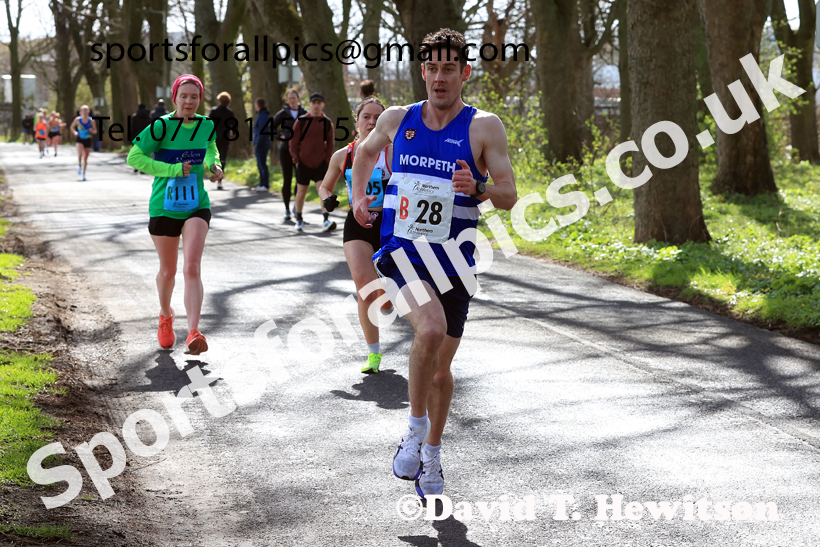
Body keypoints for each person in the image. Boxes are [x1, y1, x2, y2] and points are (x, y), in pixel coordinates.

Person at [351, 29, 517, 500]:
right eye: (433, 69)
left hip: (455, 263)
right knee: (428, 329)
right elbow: (364, 153)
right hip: (403, 253)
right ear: (422, 72)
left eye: (449, 69)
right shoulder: (397, 118)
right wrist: (359, 195)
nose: (440, 77)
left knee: (441, 370)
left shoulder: (484, 127)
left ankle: (432, 453)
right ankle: (413, 428)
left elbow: (509, 194)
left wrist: (479, 188)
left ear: (465, 73)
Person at [126, 74, 223, 355]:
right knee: (168, 271)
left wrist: (214, 165)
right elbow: (134, 157)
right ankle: (165, 314)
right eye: (184, 96)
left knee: (191, 267)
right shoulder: (161, 126)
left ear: (200, 99)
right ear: (175, 98)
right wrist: (171, 169)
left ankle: (193, 332)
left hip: (196, 205)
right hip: (164, 207)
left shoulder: (206, 125)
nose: (189, 101)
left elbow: (210, 148)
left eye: (194, 97)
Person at [318, 97, 392, 374]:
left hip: (389, 224)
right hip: (357, 224)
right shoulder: (343, 155)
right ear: (357, 121)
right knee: (364, 286)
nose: (372, 122)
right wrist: (328, 199)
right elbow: (325, 187)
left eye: (378, 118)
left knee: (386, 294)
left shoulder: (392, 151)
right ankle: (373, 354)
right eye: (366, 117)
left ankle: (388, 294)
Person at [289, 93, 335, 232]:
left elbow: (330, 143)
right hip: (303, 163)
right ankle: (299, 219)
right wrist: (296, 160)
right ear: (309, 105)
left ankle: (326, 220)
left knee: (323, 191)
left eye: (319, 103)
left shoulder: (327, 122)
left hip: (321, 163)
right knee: (301, 192)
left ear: (322, 105)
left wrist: (327, 160)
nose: (316, 106)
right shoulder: (301, 121)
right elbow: (293, 142)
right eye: (313, 103)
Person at [271, 89, 307, 219]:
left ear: (298, 99)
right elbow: (271, 128)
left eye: (294, 98)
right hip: (286, 150)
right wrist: (279, 136)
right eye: (290, 98)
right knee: (287, 179)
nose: (292, 100)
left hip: (300, 151)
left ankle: (296, 207)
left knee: (300, 181)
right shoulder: (282, 114)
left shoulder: (304, 114)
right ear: (287, 100)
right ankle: (286, 209)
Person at [208, 92, 234, 191]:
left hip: (215, 138)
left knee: (215, 157)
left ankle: (215, 172)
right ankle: (219, 180)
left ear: (219, 101)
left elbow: (209, 124)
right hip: (225, 138)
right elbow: (234, 125)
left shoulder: (214, 111)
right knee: (223, 159)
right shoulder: (230, 112)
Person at [69, 105, 97, 180]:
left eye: (86, 110)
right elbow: (72, 127)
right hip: (79, 138)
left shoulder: (91, 121)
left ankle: (84, 173)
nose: (84, 112)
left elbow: (95, 131)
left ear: (88, 111)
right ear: (80, 112)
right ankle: (79, 165)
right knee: (80, 154)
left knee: (85, 158)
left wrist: (92, 130)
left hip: (88, 139)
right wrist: (75, 132)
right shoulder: (77, 119)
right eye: (83, 110)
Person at [252, 98, 272, 192]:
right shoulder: (261, 115)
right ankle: (262, 183)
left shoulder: (263, 116)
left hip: (262, 144)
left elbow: (262, 131)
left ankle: (265, 184)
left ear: (258, 105)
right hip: (260, 143)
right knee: (260, 164)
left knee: (262, 164)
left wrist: (258, 143)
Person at [131, 103, 152, 172]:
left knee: (137, 152)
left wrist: (131, 138)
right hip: (146, 136)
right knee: (144, 153)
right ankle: (143, 168)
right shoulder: (148, 117)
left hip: (137, 136)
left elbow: (133, 128)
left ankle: (136, 167)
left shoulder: (135, 117)